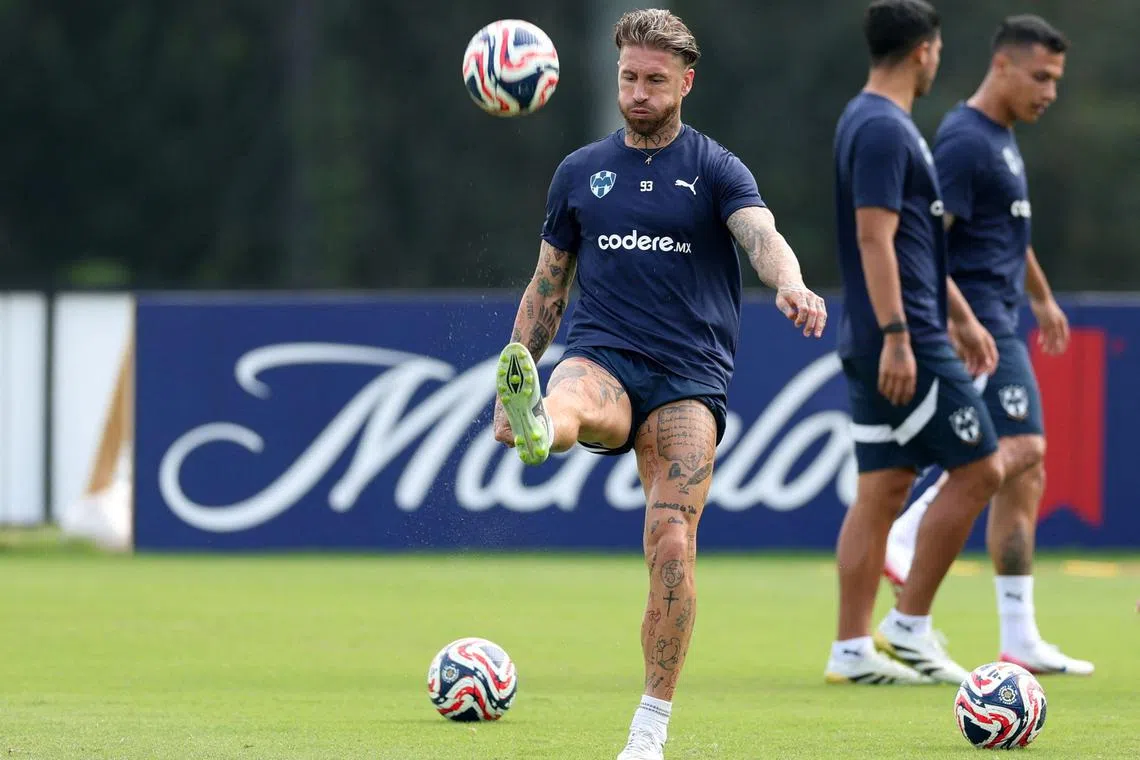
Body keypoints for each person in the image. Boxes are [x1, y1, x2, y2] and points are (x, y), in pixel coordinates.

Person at [492, 9, 826, 758]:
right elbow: (549, 285)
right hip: (603, 353)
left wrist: (792, 284)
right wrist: (509, 374)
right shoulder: (580, 171)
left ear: (685, 82)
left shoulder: (715, 168)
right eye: (627, 78)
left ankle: (649, 730)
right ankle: (540, 419)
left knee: (672, 541)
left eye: (653, 80)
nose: (637, 93)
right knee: (571, 396)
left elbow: (761, 236)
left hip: (687, 380)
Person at [882, 15, 1093, 675]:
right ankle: (906, 531)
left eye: (1056, 79)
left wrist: (1043, 296)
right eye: (1041, 76)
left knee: (1026, 474)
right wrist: (959, 320)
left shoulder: (1002, 138)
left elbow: (1012, 234)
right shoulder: (965, 142)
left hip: (1004, 313)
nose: (1051, 91)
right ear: (1002, 66)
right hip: (977, 322)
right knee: (1020, 447)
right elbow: (925, 242)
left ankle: (1018, 634)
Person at [825, 0, 1007, 686]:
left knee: (883, 487)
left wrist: (960, 314)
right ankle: (910, 624)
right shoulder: (881, 128)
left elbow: (917, 240)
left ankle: (850, 649)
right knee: (984, 468)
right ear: (924, 51)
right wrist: (902, 335)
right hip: (901, 337)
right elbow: (876, 237)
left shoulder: (873, 119)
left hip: (899, 329)